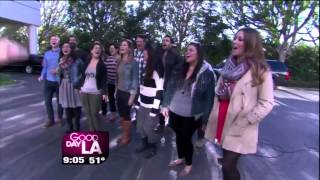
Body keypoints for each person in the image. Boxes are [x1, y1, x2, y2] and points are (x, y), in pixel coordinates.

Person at [205, 27, 274, 180]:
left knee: (229, 165)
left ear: (250, 44)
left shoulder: (261, 70)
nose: (235, 41)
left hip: (240, 125)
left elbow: (267, 103)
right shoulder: (228, 66)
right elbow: (218, 92)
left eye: (240, 39)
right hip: (222, 120)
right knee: (226, 161)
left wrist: (246, 120)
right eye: (235, 38)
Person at [161, 42, 215, 177]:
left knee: (186, 139)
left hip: (192, 115)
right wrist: (165, 105)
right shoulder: (180, 68)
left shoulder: (207, 73)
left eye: (191, 50)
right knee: (178, 137)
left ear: (199, 53)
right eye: (186, 50)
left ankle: (188, 165)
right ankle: (180, 157)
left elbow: (209, 98)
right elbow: (169, 88)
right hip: (174, 111)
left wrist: (205, 119)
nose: (187, 52)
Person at [135, 43, 164, 158]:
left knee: (149, 127)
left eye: (145, 54)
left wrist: (154, 109)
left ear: (150, 55)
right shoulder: (146, 69)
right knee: (140, 126)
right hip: (142, 104)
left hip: (151, 106)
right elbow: (142, 88)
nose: (143, 56)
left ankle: (152, 146)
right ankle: (144, 143)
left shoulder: (157, 72)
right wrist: (137, 102)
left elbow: (159, 91)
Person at [155, 35, 183, 132]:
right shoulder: (161, 53)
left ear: (171, 43)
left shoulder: (176, 55)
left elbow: (180, 70)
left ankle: (171, 123)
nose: (164, 42)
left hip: (171, 84)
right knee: (160, 103)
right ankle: (161, 123)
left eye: (167, 41)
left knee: (170, 104)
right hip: (160, 83)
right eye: (163, 40)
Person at [79, 42, 107, 131]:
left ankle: (98, 132)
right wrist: (80, 87)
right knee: (88, 113)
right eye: (95, 48)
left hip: (95, 92)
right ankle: (92, 132)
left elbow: (104, 80)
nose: (97, 50)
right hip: (84, 91)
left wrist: (104, 93)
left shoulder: (102, 65)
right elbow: (83, 75)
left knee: (94, 113)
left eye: (99, 48)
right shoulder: (87, 61)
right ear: (91, 50)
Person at [116, 39, 139, 145]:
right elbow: (118, 78)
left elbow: (135, 80)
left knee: (126, 117)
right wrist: (116, 90)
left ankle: (126, 137)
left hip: (127, 94)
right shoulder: (119, 61)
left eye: (124, 45)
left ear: (129, 48)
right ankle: (124, 135)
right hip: (119, 92)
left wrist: (132, 97)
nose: (122, 46)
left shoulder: (133, 62)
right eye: (121, 45)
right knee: (121, 117)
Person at [57, 42, 84, 133]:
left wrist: (81, 85)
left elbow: (84, 74)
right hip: (64, 85)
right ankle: (70, 127)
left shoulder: (78, 60)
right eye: (63, 47)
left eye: (67, 46)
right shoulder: (60, 60)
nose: (65, 48)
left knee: (77, 106)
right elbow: (59, 74)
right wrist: (60, 66)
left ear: (71, 49)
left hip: (75, 85)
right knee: (67, 107)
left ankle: (77, 126)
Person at [38, 35, 63, 127]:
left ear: (59, 42)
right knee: (47, 101)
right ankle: (50, 119)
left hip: (59, 81)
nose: (53, 40)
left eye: (55, 39)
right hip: (48, 81)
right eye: (52, 39)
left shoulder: (62, 52)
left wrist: (58, 70)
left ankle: (59, 118)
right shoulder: (47, 53)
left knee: (60, 102)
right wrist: (42, 75)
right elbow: (45, 66)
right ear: (50, 42)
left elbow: (66, 64)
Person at [101, 43, 119, 121]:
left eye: (113, 48)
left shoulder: (119, 59)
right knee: (111, 98)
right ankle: (113, 114)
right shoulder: (108, 59)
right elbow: (104, 69)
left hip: (118, 83)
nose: (111, 50)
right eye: (110, 49)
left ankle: (123, 115)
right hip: (109, 82)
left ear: (117, 49)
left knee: (118, 99)